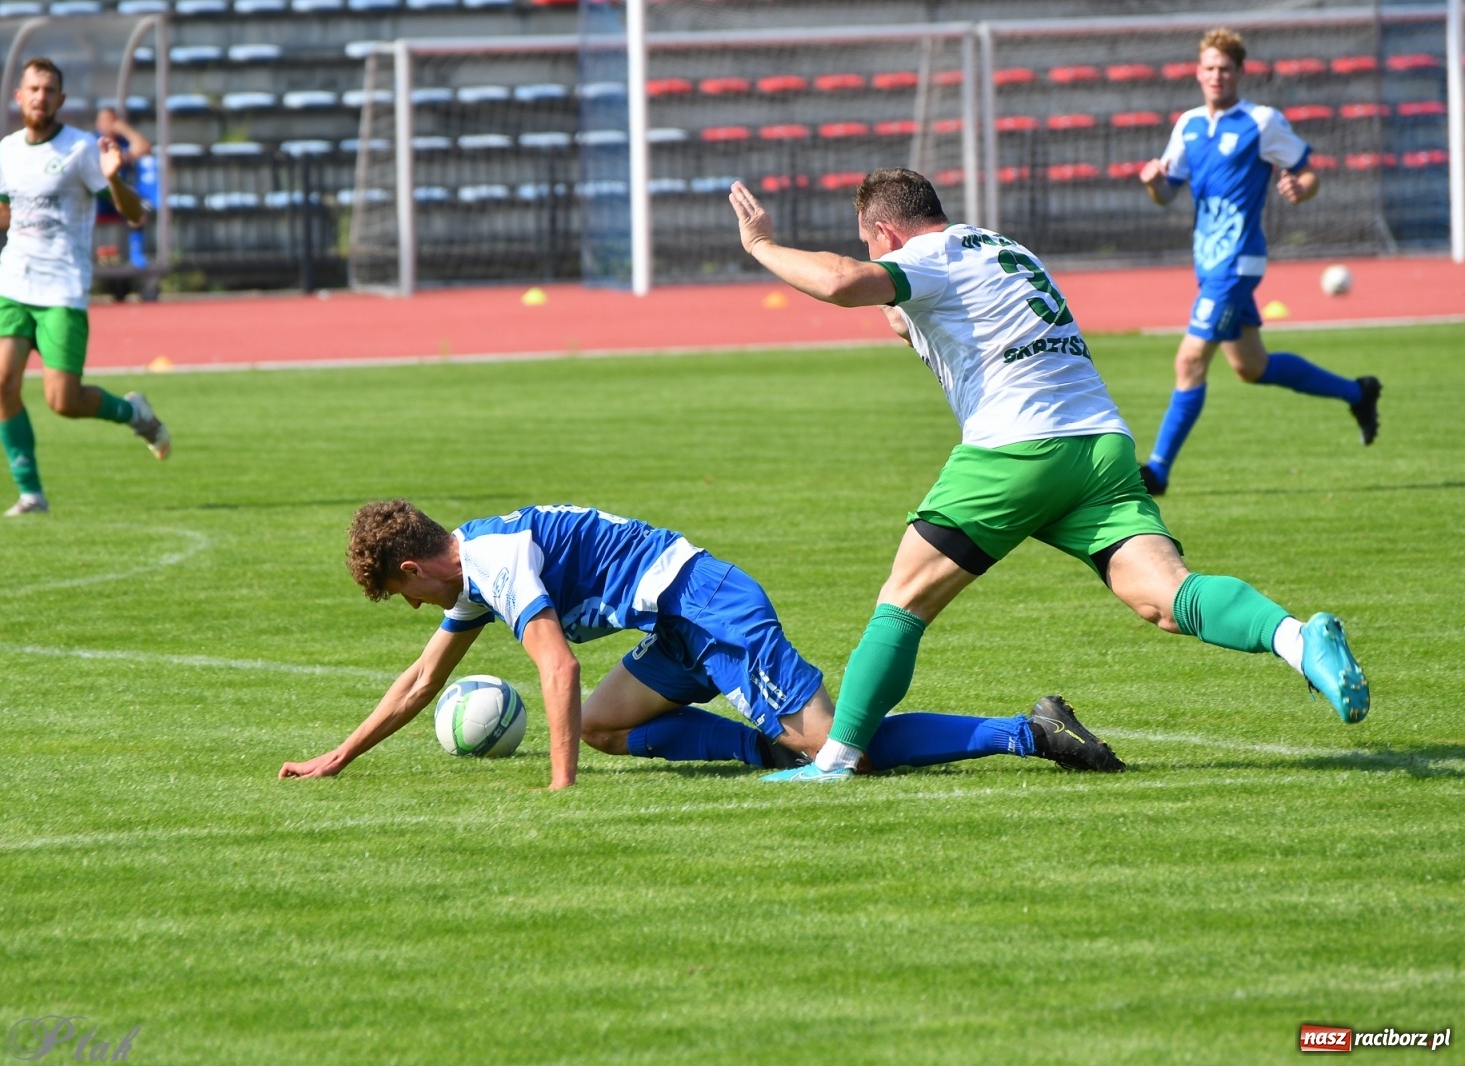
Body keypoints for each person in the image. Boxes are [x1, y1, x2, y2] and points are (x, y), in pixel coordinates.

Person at [725, 167, 1369, 783]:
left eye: (872, 245)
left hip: (1016, 449)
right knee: (1166, 595)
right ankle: (1296, 637)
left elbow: (841, 283)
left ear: (887, 234)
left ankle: (835, 762)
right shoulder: (1002, 248)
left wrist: (761, 244)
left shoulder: (932, 255)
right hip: (1100, 448)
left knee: (904, 601)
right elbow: (912, 314)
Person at [279, 500, 1127, 790]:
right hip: (674, 622)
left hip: (708, 607)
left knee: (844, 755)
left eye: (402, 592)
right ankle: (768, 749)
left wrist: (560, 784)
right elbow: (420, 680)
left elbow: (558, 665)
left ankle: (1028, 730)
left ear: (415, 564)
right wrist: (338, 756)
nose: (414, 606)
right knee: (612, 721)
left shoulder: (494, 561)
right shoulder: (474, 570)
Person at [0, 57, 170, 517]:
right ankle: (30, 493)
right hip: (13, 282)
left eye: (49, 90)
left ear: (61, 99)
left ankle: (136, 414)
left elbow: (135, 215)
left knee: (63, 401)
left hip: (62, 289)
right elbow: (8, 213)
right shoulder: (9, 149)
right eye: (33, 89)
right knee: (1, 380)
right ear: (19, 96)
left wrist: (113, 179)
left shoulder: (81, 149)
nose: (40, 97)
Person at [1136, 27, 1380, 495]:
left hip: (1238, 260)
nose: (1216, 76)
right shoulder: (1187, 125)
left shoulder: (1262, 121)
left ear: (1240, 72)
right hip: (1206, 260)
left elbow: (1308, 174)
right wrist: (1152, 181)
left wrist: (1299, 189)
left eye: (1225, 68)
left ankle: (1158, 471)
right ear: (1198, 72)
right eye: (1209, 68)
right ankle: (1358, 392)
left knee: (1189, 360)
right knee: (1252, 367)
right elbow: (1167, 195)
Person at [94, 107, 152, 270]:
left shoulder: (122, 143)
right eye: (105, 120)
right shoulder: (93, 141)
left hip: (121, 195)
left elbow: (144, 148)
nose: (109, 124)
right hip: (99, 196)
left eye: (113, 121)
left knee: (138, 212)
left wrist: (125, 129)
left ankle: (136, 255)